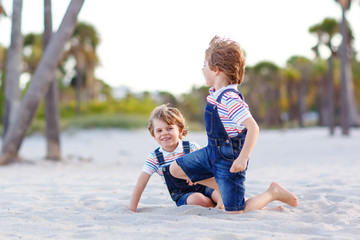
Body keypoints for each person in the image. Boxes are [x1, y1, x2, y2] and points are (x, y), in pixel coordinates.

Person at [170, 36, 298, 213]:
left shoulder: (230, 98)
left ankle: (272, 193)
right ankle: (221, 187)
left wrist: (243, 158)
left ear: (216, 70)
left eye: (204, 65)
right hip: (211, 152)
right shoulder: (216, 93)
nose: (202, 69)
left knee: (236, 211)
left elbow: (253, 127)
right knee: (175, 169)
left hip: (229, 161)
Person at [128, 104, 221, 212]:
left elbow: (210, 166)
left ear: (180, 130)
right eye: (159, 131)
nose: (165, 133)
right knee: (197, 199)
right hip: (183, 195)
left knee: (219, 192)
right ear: (154, 135)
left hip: (205, 185)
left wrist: (199, 174)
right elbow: (141, 184)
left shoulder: (191, 147)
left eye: (169, 128)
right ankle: (215, 208)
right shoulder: (155, 157)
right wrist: (132, 208)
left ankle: (221, 203)